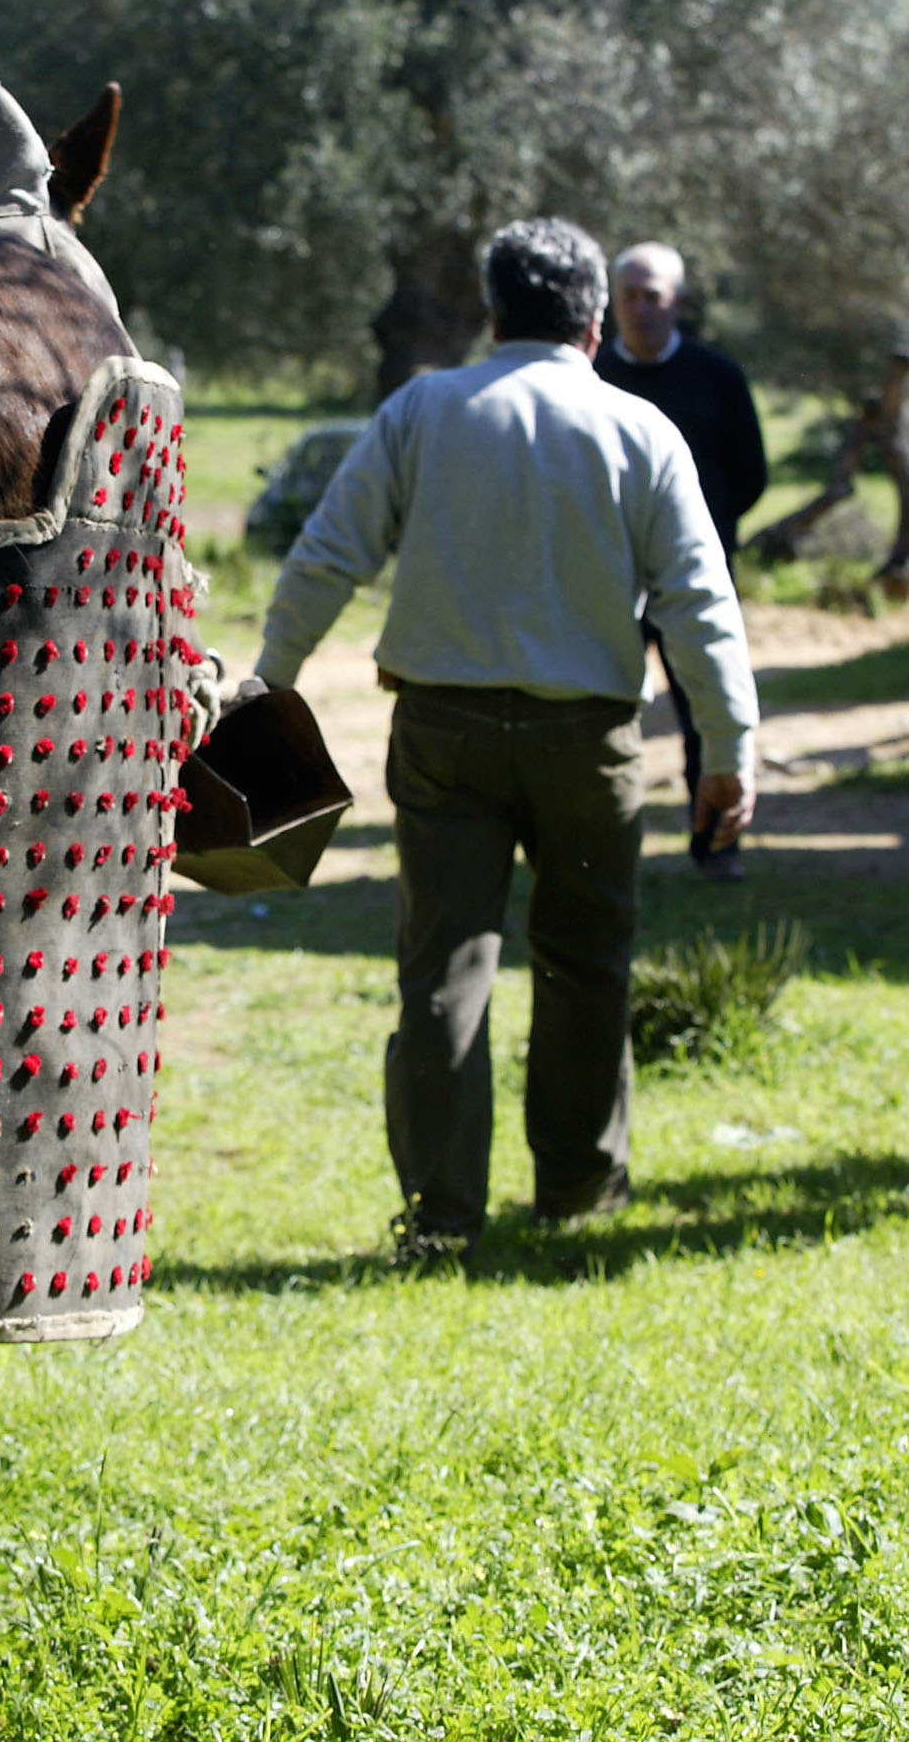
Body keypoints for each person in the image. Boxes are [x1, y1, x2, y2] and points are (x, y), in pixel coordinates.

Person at [253, 218, 758, 1259]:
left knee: (442, 967)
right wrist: (727, 751)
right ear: (591, 319)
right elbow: (698, 603)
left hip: (442, 729)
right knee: (586, 962)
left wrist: (273, 681)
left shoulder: (424, 410)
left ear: (493, 313)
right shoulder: (637, 429)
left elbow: (326, 555)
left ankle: (439, 1216)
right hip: (588, 737)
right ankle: (576, 1189)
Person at [596, 242, 767, 879]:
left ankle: (718, 845)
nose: (641, 309)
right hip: (607, 580)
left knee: (706, 705)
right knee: (600, 708)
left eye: (653, 296)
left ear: (678, 302)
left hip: (695, 577)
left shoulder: (717, 376)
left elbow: (750, 473)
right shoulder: (589, 377)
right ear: (610, 305)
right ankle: (599, 849)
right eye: (629, 297)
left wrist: (702, 536)